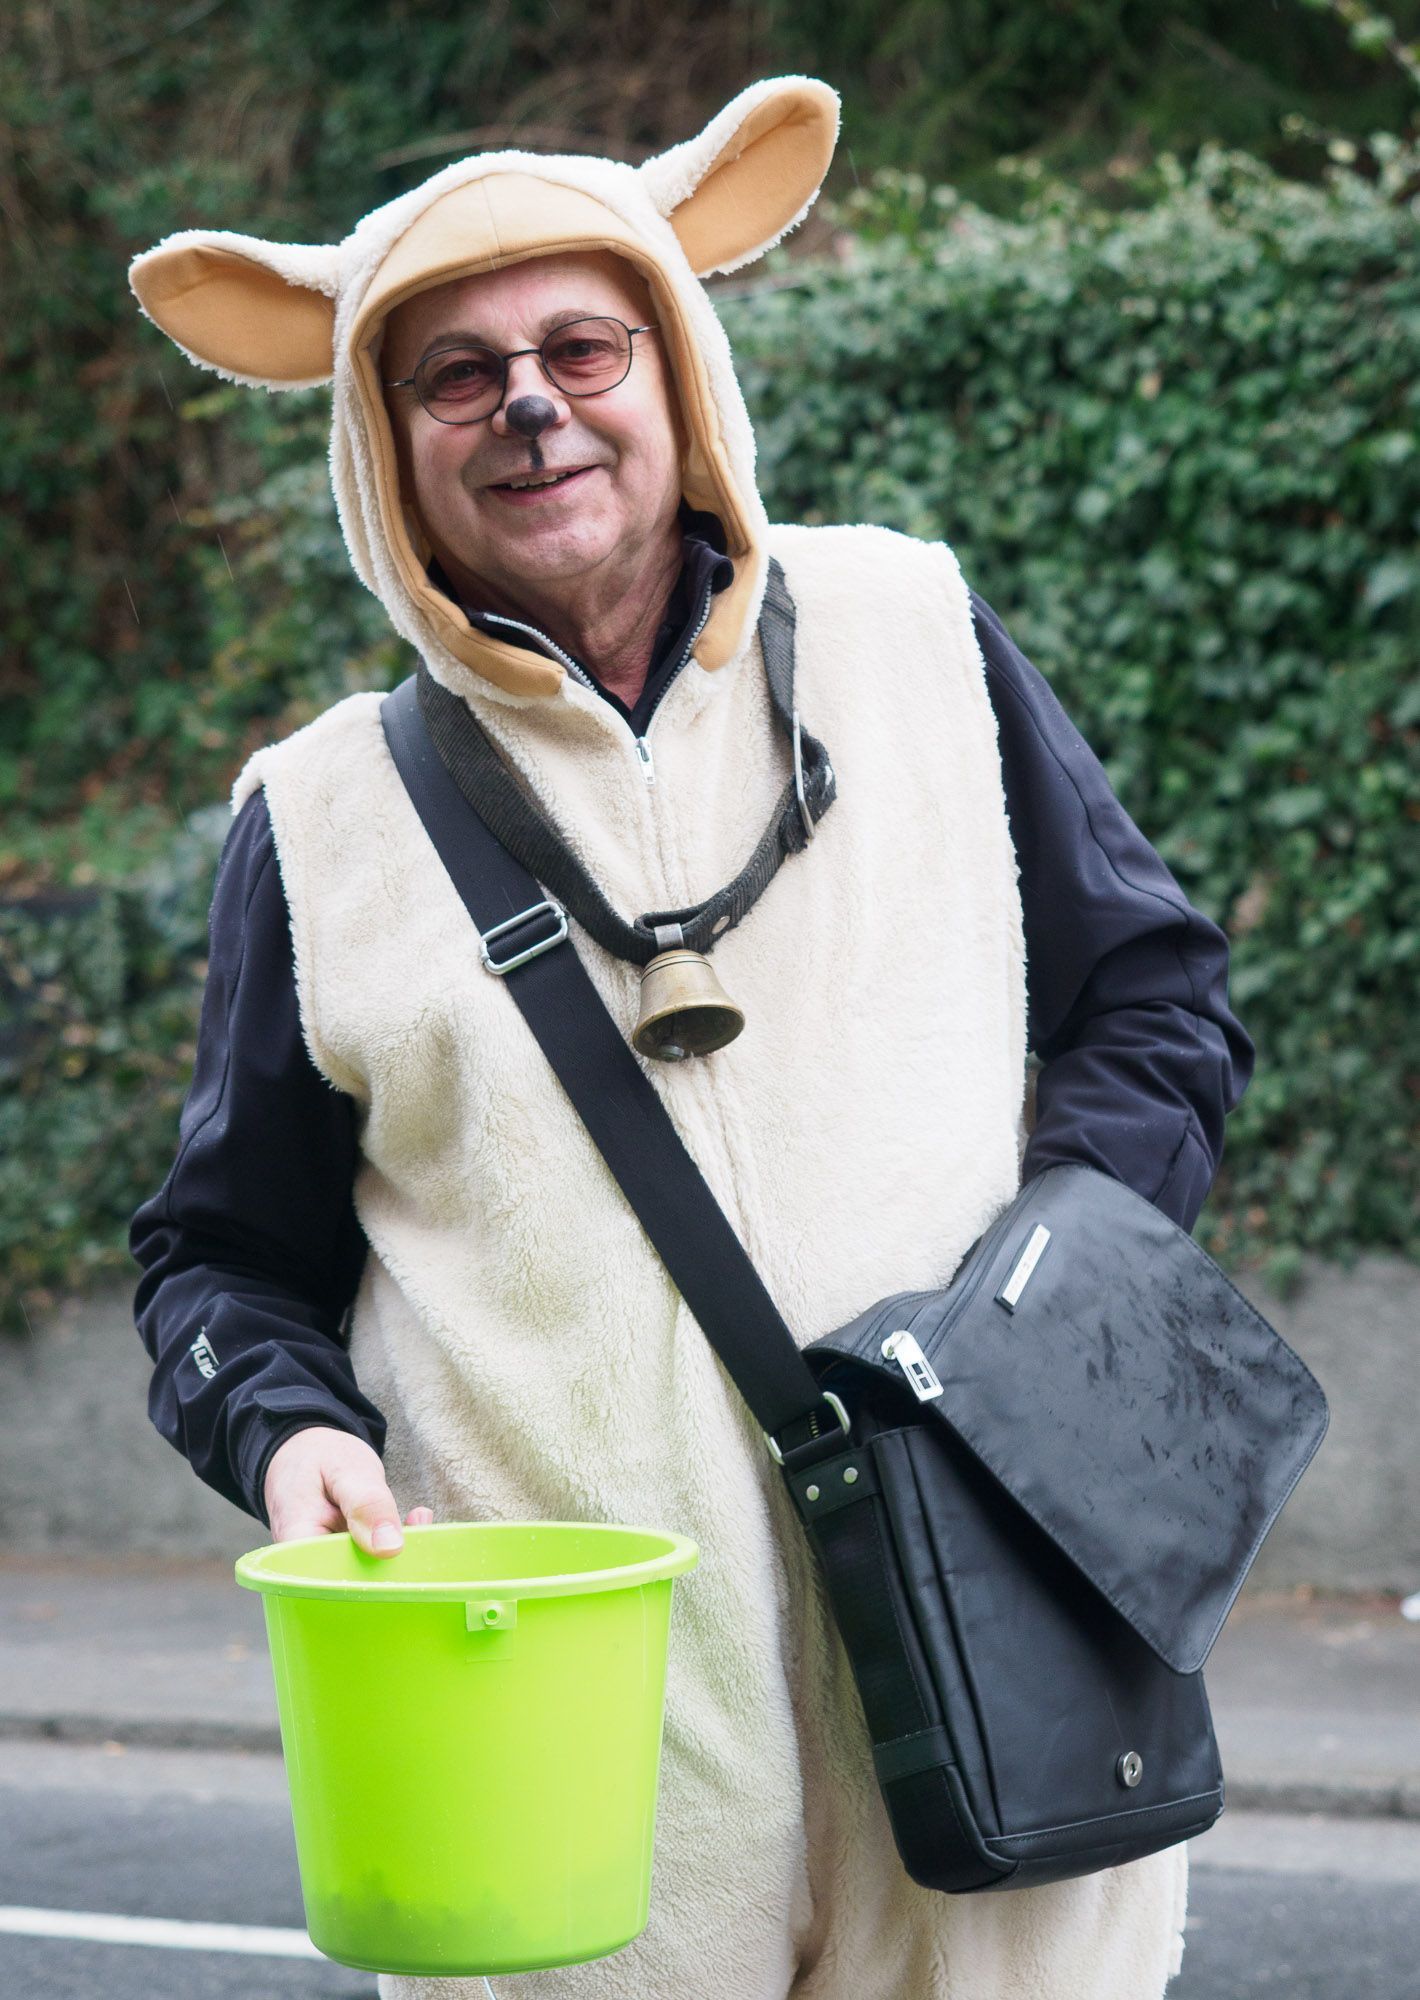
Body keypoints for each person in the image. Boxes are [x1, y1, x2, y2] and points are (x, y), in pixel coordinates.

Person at [128, 77, 1252, 2000]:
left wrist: (1044, 1313)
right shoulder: (316, 822)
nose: (533, 406)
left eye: (583, 345)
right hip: (575, 1794)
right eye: (456, 378)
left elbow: (1155, 1002)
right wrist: (287, 1423)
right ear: (381, 449)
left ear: (681, 370)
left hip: (1006, 1710)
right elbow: (221, 1258)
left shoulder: (915, 637)